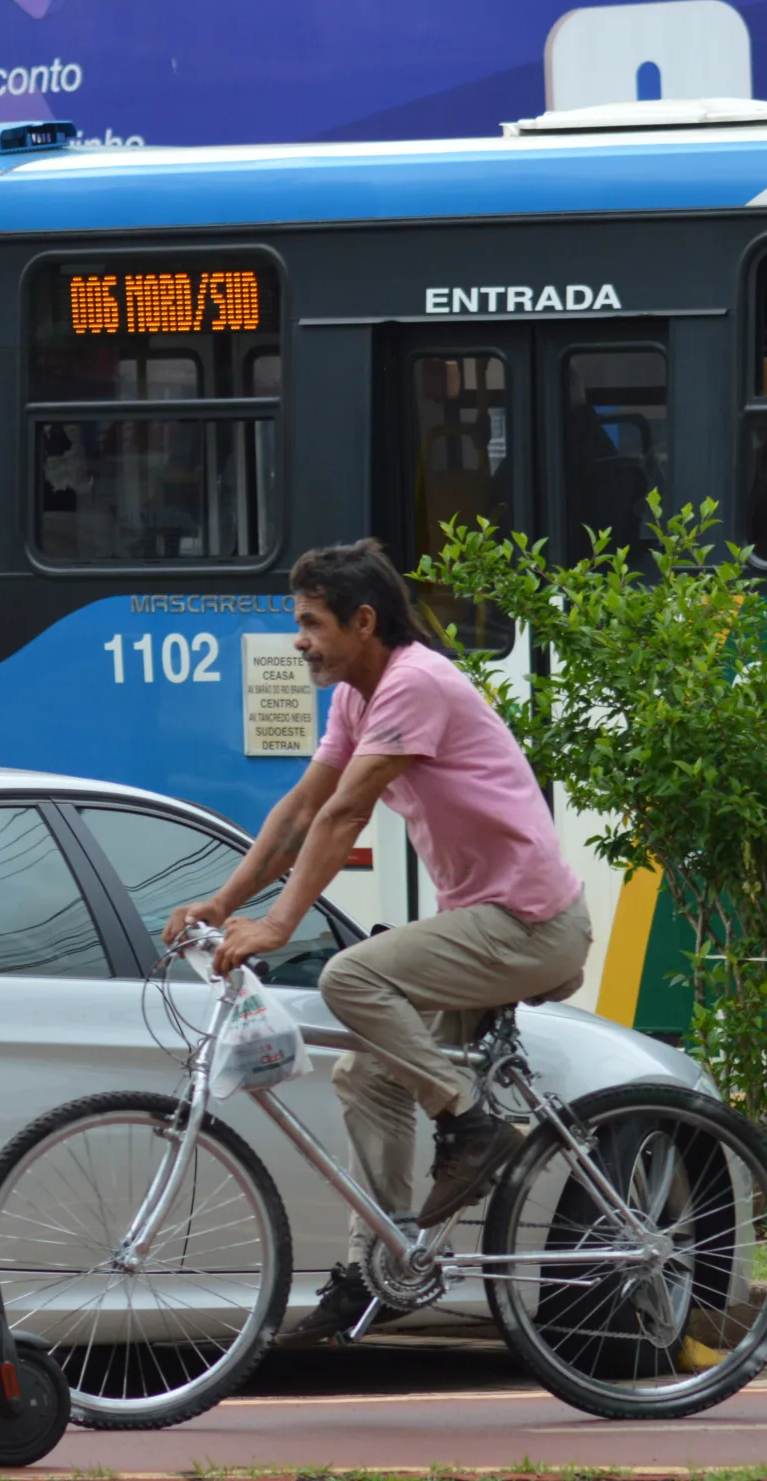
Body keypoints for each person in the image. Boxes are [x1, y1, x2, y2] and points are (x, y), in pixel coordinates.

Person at [166, 539, 591, 1346]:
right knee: (367, 1073)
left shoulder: (415, 683)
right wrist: (220, 903)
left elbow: (345, 815)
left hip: (530, 924)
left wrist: (280, 924)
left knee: (351, 977)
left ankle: (472, 1125)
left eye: (311, 623)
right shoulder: (357, 698)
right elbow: (298, 810)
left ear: (365, 621)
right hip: (486, 921)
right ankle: (384, 1268)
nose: (298, 640)